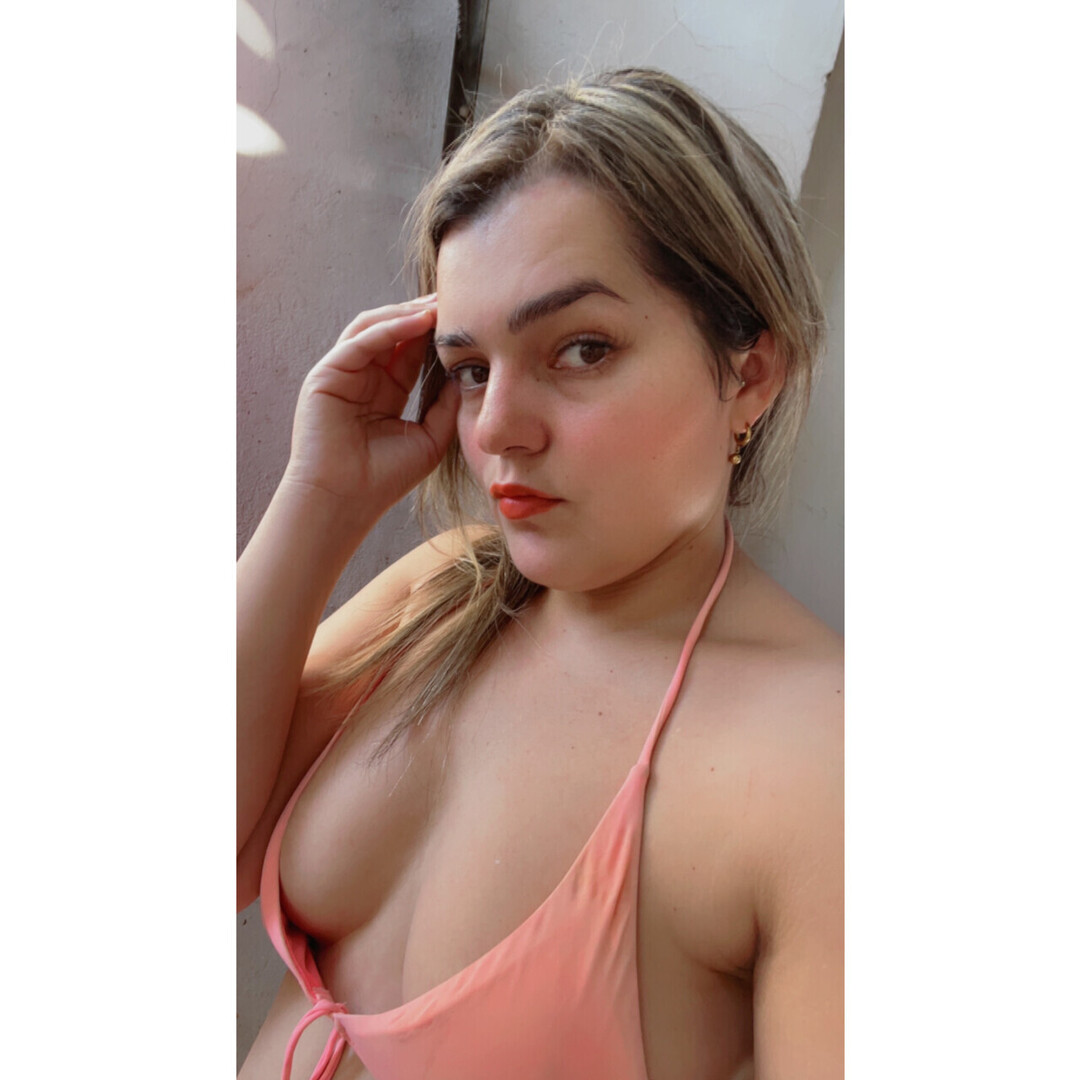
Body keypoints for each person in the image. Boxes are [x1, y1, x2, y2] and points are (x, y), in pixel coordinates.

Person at [237, 67, 842, 1080]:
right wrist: (320, 500)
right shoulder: (445, 594)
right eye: (472, 369)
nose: (497, 430)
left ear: (750, 373)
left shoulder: (821, 759)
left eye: (582, 350)